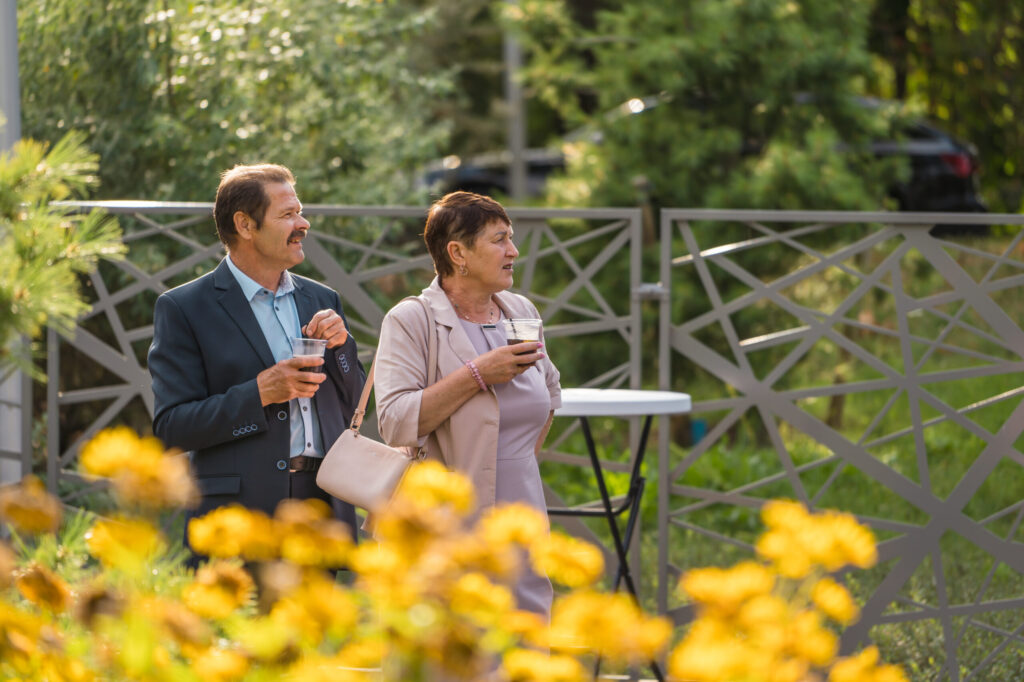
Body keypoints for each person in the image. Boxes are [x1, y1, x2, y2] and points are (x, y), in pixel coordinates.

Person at [147, 163, 364, 553]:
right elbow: (171, 427)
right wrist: (260, 393)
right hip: (238, 515)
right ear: (245, 225)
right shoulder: (184, 308)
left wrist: (343, 347)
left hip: (322, 508)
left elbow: (355, 404)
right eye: (287, 214)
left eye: (300, 212)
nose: (303, 224)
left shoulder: (322, 298)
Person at [375, 191, 560, 616]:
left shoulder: (520, 310)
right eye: (499, 240)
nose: (513, 251)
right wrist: (477, 374)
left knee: (526, 634)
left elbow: (550, 392)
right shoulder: (410, 320)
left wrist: (516, 462)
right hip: (444, 523)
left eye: (510, 238)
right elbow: (395, 422)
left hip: (521, 519)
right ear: (458, 253)